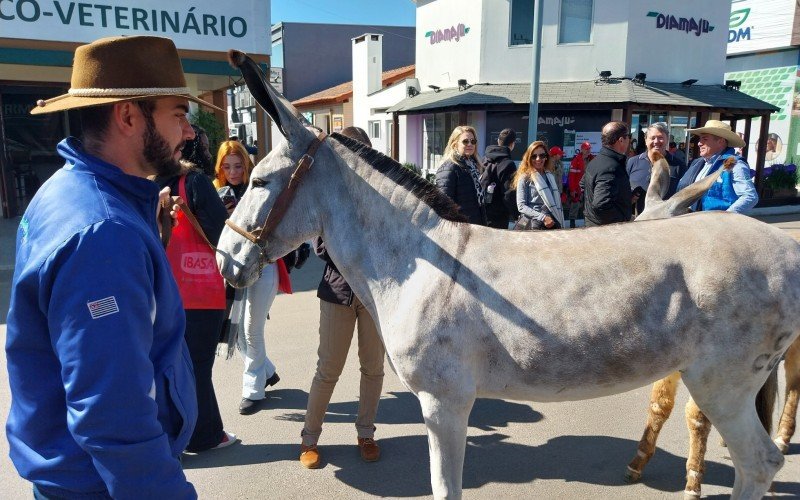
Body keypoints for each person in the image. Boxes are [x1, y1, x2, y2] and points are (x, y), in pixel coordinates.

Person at [5, 35, 223, 498]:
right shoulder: (105, 232)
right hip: (98, 484)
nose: (188, 132)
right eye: (178, 114)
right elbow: (112, 411)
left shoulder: (64, 189)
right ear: (128, 116)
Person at [300, 126, 385, 469]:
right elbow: (321, 245)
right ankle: (309, 439)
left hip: (375, 295)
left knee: (374, 369)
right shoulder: (329, 193)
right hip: (337, 291)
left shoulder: (381, 193)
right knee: (328, 369)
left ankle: (366, 433)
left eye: (358, 150)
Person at [157, 141, 235, 453]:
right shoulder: (195, 183)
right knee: (199, 365)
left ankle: (175, 431)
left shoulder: (147, 186)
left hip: (161, 290)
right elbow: (220, 233)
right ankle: (205, 435)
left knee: (172, 365)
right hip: (198, 287)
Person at [213, 140, 292, 415]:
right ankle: (266, 371)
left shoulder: (258, 190)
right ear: (220, 168)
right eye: (227, 166)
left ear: (247, 166)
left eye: (238, 165)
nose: (233, 172)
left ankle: (253, 390)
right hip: (232, 269)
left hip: (263, 265)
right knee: (239, 334)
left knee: (249, 329)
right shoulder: (214, 192)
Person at [675, 120, 758, 213]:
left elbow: (750, 196)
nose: (699, 143)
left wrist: (725, 217)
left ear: (721, 142)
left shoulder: (735, 164)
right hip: (695, 221)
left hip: (717, 225)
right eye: (700, 139)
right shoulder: (698, 163)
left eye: (705, 139)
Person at [626, 123, 686, 216]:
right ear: (646, 140)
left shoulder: (679, 165)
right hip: (636, 221)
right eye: (652, 138)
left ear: (667, 140)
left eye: (660, 137)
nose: (656, 141)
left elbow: (682, 196)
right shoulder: (632, 162)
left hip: (664, 222)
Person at [581, 121, 633, 226]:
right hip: (607, 232)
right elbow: (601, 204)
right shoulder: (611, 167)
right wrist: (624, 218)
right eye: (629, 136)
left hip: (594, 226)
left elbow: (583, 184)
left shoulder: (596, 161)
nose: (630, 140)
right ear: (621, 140)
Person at [435, 125, 486, 225]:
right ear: (455, 144)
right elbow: (444, 205)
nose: (470, 144)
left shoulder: (472, 165)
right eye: (465, 141)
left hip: (475, 225)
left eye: (473, 141)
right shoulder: (449, 168)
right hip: (460, 229)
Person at [513, 141, 564, 230]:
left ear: (546, 157)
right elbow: (521, 206)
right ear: (528, 158)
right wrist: (543, 217)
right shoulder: (524, 177)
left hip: (550, 222)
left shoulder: (550, 176)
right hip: (531, 223)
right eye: (534, 156)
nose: (538, 159)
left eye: (542, 155)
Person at [481, 128, 518, 228]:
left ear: (498, 141)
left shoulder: (484, 159)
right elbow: (509, 194)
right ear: (512, 144)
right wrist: (516, 215)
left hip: (482, 212)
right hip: (498, 217)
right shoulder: (508, 164)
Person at [566, 142, 593, 228]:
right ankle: (572, 224)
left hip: (588, 187)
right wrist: (572, 189)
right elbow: (571, 176)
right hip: (577, 188)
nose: (588, 150)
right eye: (587, 149)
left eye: (589, 148)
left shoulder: (592, 159)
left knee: (588, 206)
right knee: (575, 205)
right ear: (582, 149)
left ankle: (587, 224)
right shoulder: (576, 160)